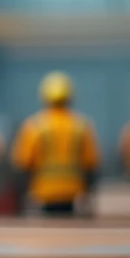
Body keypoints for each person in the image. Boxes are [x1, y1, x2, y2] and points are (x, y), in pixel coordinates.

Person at [11, 72, 100, 215]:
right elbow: (91, 165)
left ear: (44, 96)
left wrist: (22, 200)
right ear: (70, 96)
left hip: (43, 194)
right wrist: (90, 198)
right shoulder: (82, 126)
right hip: (74, 194)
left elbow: (23, 164)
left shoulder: (34, 126)